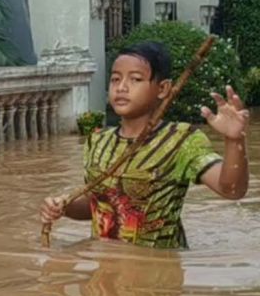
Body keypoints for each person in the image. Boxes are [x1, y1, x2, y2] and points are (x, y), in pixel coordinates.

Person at [40, 41, 250, 248]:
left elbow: (232, 190)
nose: (121, 87)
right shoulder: (98, 141)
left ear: (163, 89)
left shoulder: (181, 141)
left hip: (159, 274)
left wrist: (234, 140)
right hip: (103, 273)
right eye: (115, 79)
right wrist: (64, 207)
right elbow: (96, 205)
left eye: (135, 79)